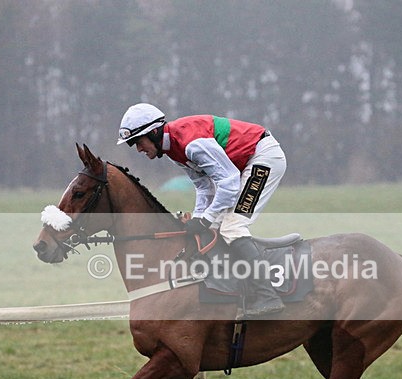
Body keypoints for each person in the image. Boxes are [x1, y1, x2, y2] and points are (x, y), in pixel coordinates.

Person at [117, 103, 286, 317]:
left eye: (137, 142)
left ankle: (267, 295)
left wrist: (205, 219)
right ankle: (235, 290)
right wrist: (199, 220)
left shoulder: (191, 143)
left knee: (232, 226)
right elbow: (204, 187)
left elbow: (229, 183)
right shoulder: (173, 150)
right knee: (214, 227)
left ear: (154, 132)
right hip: (242, 165)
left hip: (263, 158)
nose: (139, 149)